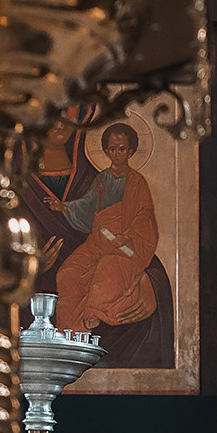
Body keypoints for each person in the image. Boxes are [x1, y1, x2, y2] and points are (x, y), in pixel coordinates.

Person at [50, 123, 158, 332]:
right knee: (68, 272)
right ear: (106, 151)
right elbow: (88, 206)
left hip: (127, 247)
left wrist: (126, 236)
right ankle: (66, 328)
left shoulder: (137, 183)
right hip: (98, 243)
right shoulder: (101, 180)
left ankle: (93, 313)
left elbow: (145, 216)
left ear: (131, 151)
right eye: (113, 149)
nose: (117, 154)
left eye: (122, 149)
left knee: (107, 267)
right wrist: (64, 207)